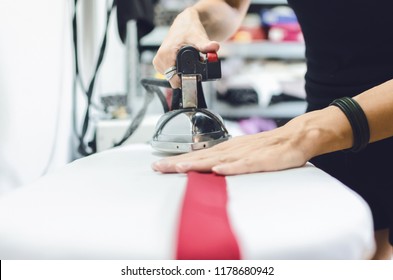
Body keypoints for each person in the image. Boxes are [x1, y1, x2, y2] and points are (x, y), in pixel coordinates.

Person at [151, 0, 393, 259]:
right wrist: (194, 18)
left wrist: (311, 131)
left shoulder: (313, 131)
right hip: (330, 137)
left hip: (347, 124)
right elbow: (230, 5)